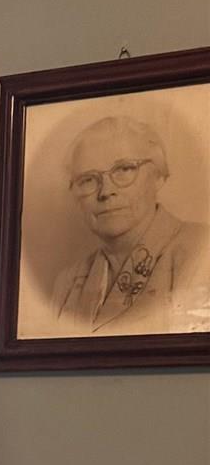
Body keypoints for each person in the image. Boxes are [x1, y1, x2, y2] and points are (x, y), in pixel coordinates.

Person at [49, 111, 210, 333]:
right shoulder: (66, 283)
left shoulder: (202, 252)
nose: (105, 192)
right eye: (87, 180)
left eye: (124, 169)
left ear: (159, 176)